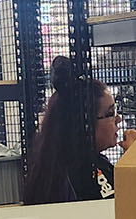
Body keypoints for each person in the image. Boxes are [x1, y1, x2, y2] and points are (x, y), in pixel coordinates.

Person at [24, 56, 121, 203]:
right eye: (110, 113)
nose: (118, 119)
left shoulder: (91, 164)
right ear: (85, 123)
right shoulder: (75, 174)